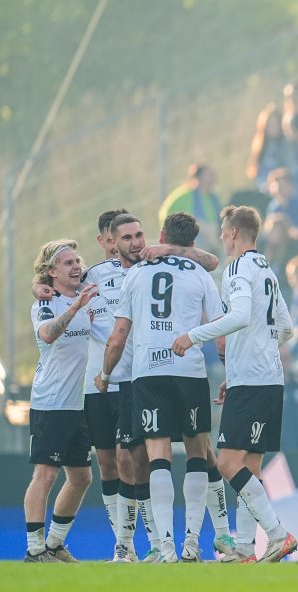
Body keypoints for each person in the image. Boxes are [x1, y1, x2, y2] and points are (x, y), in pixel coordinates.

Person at [87, 212, 226, 562]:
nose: (137, 242)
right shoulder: (199, 272)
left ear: (160, 236)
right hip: (189, 370)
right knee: (198, 452)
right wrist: (229, 371)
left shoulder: (136, 273)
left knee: (157, 455)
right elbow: (221, 329)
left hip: (147, 373)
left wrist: (105, 375)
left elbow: (118, 336)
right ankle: (192, 542)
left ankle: (165, 547)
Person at [172, 205, 298, 564]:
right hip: (268, 377)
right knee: (250, 468)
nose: (221, 237)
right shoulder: (267, 271)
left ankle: (277, 535)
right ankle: (245, 547)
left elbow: (240, 316)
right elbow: (286, 328)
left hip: (253, 380)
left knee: (227, 462)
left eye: (223, 231)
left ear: (233, 233)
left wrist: (194, 336)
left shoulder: (238, 267)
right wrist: (243, 364)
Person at [24, 240, 98, 562]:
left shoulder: (86, 293)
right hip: (51, 402)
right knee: (45, 476)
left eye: (77, 260)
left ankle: (54, 544)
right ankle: (34, 549)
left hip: (76, 404)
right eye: (67, 263)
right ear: (51, 272)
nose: (76, 266)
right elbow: (48, 334)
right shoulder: (46, 303)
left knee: (82, 477)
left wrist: (80, 303)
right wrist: (74, 307)